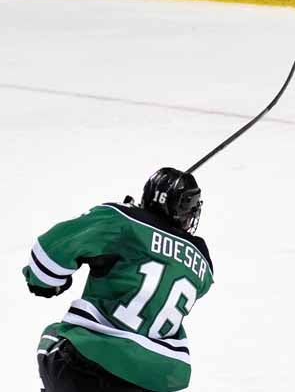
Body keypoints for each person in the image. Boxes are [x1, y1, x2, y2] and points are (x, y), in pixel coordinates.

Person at [25, 167, 213, 392]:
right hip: (153, 380)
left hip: (85, 363)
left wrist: (51, 283)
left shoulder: (121, 220)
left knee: (53, 335)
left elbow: (45, 259)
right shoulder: (203, 261)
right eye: (188, 207)